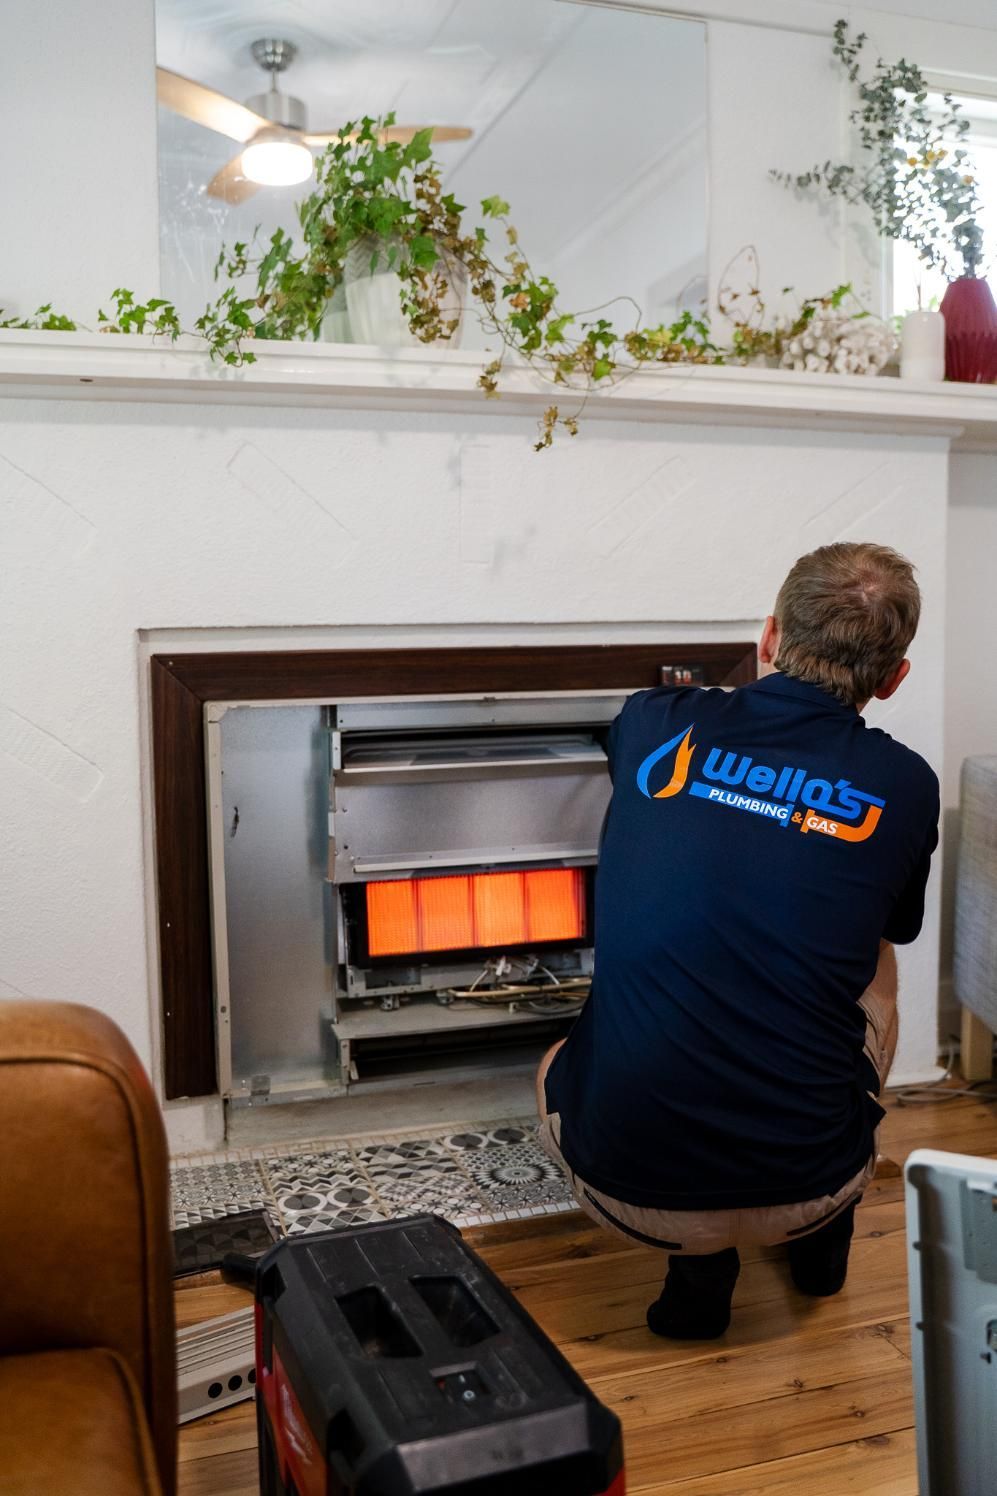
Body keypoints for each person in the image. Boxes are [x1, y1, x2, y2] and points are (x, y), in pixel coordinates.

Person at [537, 542, 939, 1340]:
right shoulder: (904, 784)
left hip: (629, 1192)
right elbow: (893, 928)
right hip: (813, 1180)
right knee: (874, 955)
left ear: (768, 636)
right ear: (893, 679)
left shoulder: (650, 721)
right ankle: (824, 1242)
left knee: (556, 1058)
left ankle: (700, 1277)